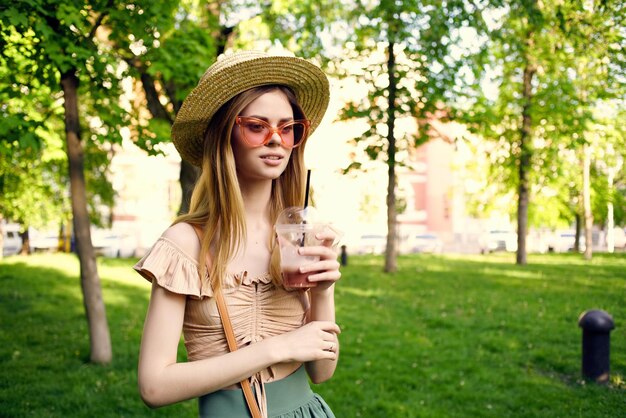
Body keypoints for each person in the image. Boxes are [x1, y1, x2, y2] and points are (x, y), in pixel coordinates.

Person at [133, 50, 341, 418]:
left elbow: (321, 372)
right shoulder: (186, 243)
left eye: (288, 127)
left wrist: (324, 291)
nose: (276, 139)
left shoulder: (296, 237)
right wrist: (278, 348)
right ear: (225, 136)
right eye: (257, 126)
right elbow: (153, 386)